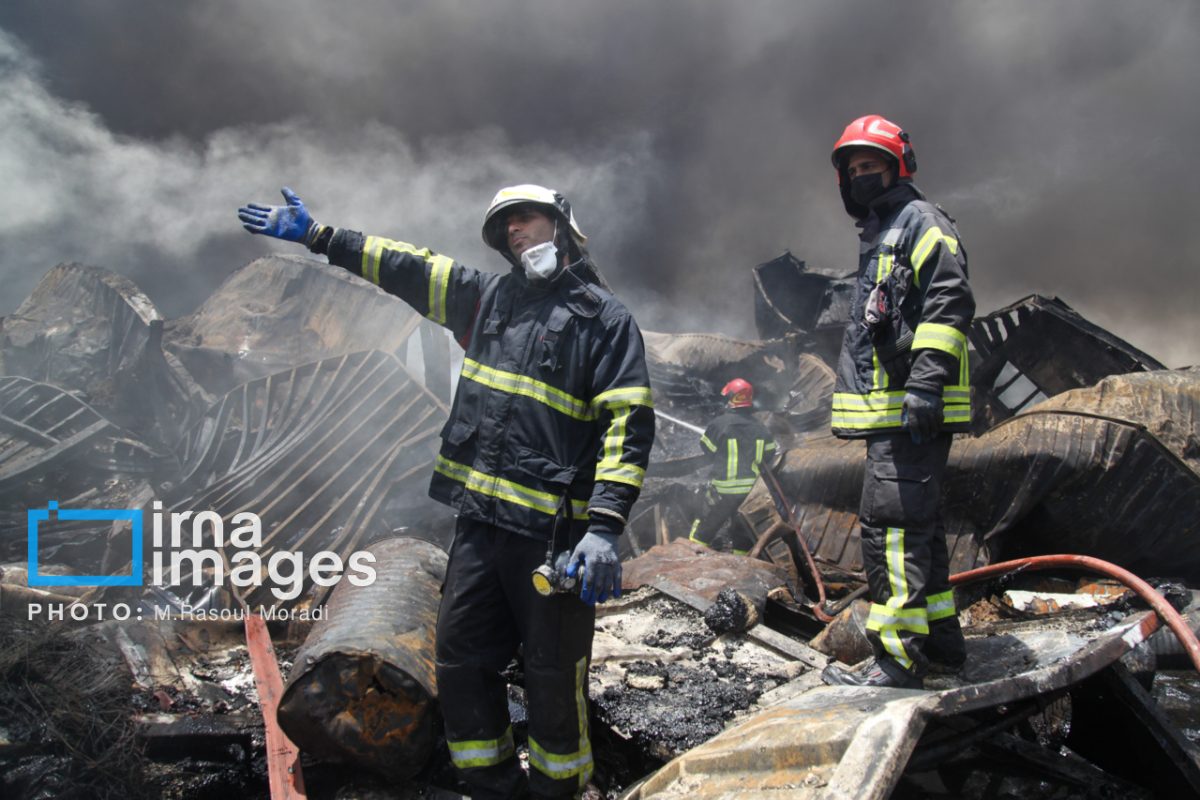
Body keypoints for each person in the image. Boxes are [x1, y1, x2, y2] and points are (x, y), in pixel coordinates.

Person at [237, 184, 655, 798]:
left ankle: (557, 789)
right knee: (459, 659)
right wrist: (321, 237)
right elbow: (407, 266)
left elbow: (628, 423)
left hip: (552, 539)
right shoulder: (486, 300)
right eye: (505, 225)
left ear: (562, 225)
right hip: (479, 529)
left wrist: (603, 527)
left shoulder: (604, 320)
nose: (516, 232)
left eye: (527, 218)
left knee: (551, 673)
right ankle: (487, 785)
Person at [818, 115, 973, 690]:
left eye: (871, 167)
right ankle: (944, 648)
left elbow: (951, 301)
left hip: (912, 408)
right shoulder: (883, 233)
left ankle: (898, 661)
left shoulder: (919, 222)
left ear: (898, 166)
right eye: (853, 170)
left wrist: (927, 386)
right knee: (920, 530)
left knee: (891, 532)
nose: (860, 178)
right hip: (895, 410)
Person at [687, 379, 777, 554]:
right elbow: (769, 455)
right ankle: (739, 567)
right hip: (749, 493)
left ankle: (689, 558)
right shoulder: (761, 428)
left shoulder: (719, 424)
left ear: (732, 398)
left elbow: (707, 449)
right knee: (742, 534)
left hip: (723, 490)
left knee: (704, 527)